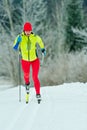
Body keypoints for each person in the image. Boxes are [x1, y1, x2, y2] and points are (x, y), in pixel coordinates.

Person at [13, 22, 46, 103]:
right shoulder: (20, 37)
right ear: (24, 30)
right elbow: (14, 47)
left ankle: (38, 93)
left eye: (29, 30)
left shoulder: (34, 37)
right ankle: (27, 84)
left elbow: (40, 42)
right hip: (25, 60)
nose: (28, 32)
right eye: (26, 31)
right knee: (26, 75)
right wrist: (18, 42)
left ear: (31, 30)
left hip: (35, 59)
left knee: (35, 77)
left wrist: (43, 49)